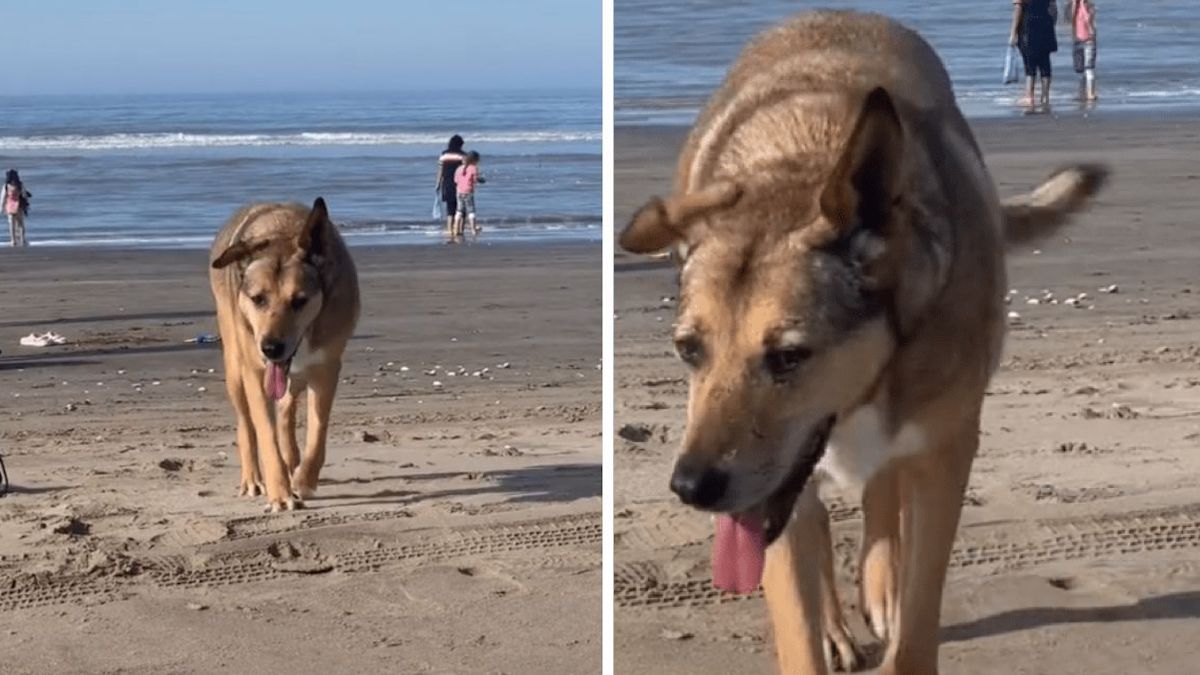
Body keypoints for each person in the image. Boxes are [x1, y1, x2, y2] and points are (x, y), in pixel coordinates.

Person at [1010, 0, 1058, 109]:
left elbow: (1018, 9)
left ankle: (1029, 96)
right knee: (1045, 61)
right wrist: (1051, 25)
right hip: (1046, 25)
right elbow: (1053, 9)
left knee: (1029, 62)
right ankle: (1045, 96)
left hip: (1028, 26)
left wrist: (1013, 33)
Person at [435, 135, 467, 240]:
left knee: (450, 210)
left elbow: (440, 170)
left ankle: (450, 230)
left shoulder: (444, 155)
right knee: (461, 209)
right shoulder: (463, 155)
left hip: (447, 184)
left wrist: (438, 183)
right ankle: (460, 230)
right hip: (461, 185)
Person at [1066, 0, 1098, 101]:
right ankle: (1083, 91)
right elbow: (1070, 19)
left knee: (1089, 68)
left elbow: (1091, 21)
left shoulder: (1089, 6)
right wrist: (1075, 5)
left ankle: (1090, 93)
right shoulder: (1071, 6)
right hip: (1077, 39)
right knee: (1079, 68)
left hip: (1089, 39)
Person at [452, 151, 486, 239]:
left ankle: (456, 229)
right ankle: (473, 229)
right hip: (468, 192)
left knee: (459, 210)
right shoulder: (473, 168)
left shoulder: (459, 169)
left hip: (459, 191)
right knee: (471, 211)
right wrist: (481, 180)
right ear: (474, 160)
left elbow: (456, 181)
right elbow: (475, 180)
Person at [3, 169, 31, 248]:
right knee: (21, 224)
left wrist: (1, 207)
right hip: (18, 206)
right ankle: (22, 239)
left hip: (10, 206)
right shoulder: (20, 184)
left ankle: (13, 240)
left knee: (11, 224)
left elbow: (3, 197)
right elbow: (24, 194)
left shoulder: (6, 186)